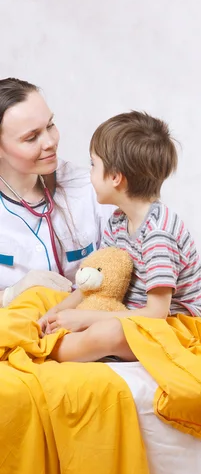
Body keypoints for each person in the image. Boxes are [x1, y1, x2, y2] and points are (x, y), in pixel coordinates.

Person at [43, 110, 201, 362]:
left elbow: (156, 314)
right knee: (44, 297)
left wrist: (84, 318)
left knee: (108, 331)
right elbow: (98, 282)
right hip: (132, 314)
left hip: (175, 328)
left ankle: (46, 351)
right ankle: (50, 334)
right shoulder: (118, 221)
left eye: (93, 165)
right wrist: (55, 312)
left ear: (114, 177)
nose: (89, 174)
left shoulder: (158, 234)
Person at [0, 77, 112, 307]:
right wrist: (8, 296)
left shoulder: (91, 188)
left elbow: (128, 267)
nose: (50, 142)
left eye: (50, 125)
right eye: (31, 137)